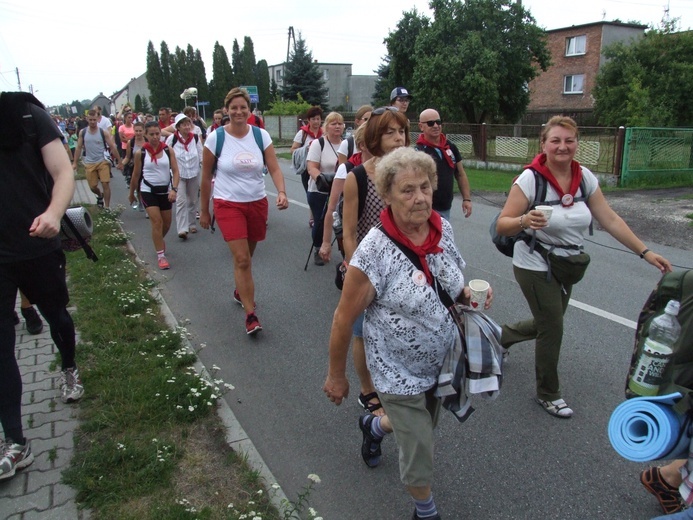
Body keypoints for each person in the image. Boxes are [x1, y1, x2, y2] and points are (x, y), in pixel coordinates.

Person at [324, 146, 492, 520]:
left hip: (442, 362)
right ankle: (425, 511)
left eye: (425, 187)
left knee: (419, 426)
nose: (420, 198)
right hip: (395, 369)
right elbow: (342, 319)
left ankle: (374, 425)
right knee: (419, 443)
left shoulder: (442, 229)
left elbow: (452, 283)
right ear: (386, 195)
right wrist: (337, 376)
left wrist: (469, 293)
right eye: (407, 190)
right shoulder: (373, 252)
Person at [495, 116, 672, 418]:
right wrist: (525, 220)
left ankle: (497, 338)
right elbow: (503, 223)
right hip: (534, 263)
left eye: (569, 140)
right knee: (553, 326)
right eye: (555, 141)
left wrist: (645, 252)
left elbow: (610, 219)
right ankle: (548, 393)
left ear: (577, 143)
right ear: (544, 144)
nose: (562, 147)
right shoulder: (530, 179)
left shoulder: (585, 177)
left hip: (566, 264)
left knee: (548, 322)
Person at [0, 92, 84, 481]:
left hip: (36, 241)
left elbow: (63, 172)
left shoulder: (27, 115)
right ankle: (16, 442)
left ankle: (68, 367)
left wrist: (53, 213)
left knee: (57, 317)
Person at [199, 87, 288, 335]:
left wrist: (281, 191)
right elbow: (206, 177)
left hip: (257, 203)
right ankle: (251, 314)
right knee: (242, 259)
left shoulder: (261, 136)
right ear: (226, 110)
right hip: (228, 203)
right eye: (234, 108)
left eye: (243, 107)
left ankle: (241, 291)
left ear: (250, 110)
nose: (239, 112)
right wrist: (204, 210)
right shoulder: (216, 138)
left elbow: (275, 168)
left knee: (247, 257)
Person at [128, 121, 180, 270]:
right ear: (146, 135)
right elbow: (136, 175)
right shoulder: (141, 153)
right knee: (156, 222)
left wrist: (174, 189)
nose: (155, 137)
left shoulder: (168, 150)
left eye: (157, 133)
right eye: (151, 134)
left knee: (167, 224)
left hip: (165, 191)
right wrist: (132, 193)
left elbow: (175, 171)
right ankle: (161, 256)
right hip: (148, 190)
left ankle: (158, 240)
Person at [415, 108, 472, 221]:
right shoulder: (419, 152)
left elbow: (460, 174)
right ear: (421, 126)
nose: (436, 125)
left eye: (438, 122)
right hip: (428, 208)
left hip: (446, 207)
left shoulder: (450, 146)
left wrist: (467, 199)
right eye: (431, 123)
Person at [305, 111, 344, 266]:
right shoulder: (318, 143)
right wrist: (321, 178)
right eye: (333, 123)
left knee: (342, 224)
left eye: (340, 123)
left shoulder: (346, 144)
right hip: (318, 190)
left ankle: (345, 254)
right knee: (321, 222)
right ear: (326, 127)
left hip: (340, 191)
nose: (337, 126)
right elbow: (311, 167)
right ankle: (317, 247)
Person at [72, 109, 123, 209]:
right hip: (89, 162)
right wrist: (74, 163)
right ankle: (100, 195)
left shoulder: (103, 132)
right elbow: (78, 148)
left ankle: (107, 207)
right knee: (93, 186)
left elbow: (112, 146)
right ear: (87, 119)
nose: (92, 122)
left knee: (105, 183)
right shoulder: (83, 132)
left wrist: (119, 161)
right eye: (90, 120)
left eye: (94, 120)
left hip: (102, 161)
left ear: (97, 119)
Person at [166, 113, 203, 240]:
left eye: (188, 124)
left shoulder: (195, 138)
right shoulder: (172, 139)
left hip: (193, 172)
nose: (187, 127)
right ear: (178, 127)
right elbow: (167, 153)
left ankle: (191, 224)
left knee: (192, 200)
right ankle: (182, 229)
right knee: (181, 201)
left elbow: (200, 153)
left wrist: (204, 166)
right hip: (179, 174)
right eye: (184, 125)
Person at [291, 106, 323, 226]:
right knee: (311, 193)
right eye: (313, 119)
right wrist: (306, 149)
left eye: (318, 119)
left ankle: (318, 216)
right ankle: (313, 217)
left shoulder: (324, 132)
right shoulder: (303, 133)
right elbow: (292, 150)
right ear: (309, 120)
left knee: (321, 193)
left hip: (321, 167)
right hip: (306, 169)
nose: (316, 122)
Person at [122, 121, 146, 189]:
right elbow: (128, 157)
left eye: (140, 131)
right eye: (136, 131)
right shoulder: (131, 142)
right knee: (137, 187)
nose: (138, 133)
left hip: (146, 167)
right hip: (135, 168)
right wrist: (121, 164)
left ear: (144, 131)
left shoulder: (148, 141)